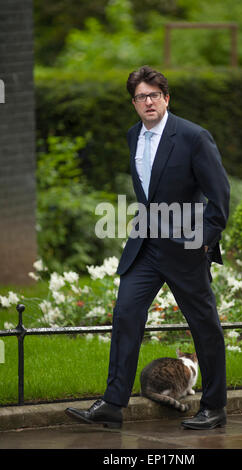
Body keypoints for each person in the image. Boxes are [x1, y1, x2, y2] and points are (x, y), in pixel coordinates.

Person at [66, 66, 230, 430]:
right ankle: (112, 404)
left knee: (204, 325)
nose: (148, 102)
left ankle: (214, 406)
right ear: (134, 103)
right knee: (125, 314)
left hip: (186, 247)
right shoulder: (132, 137)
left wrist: (203, 239)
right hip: (145, 246)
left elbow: (219, 195)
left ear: (166, 98)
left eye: (154, 95)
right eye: (141, 96)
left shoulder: (193, 137)